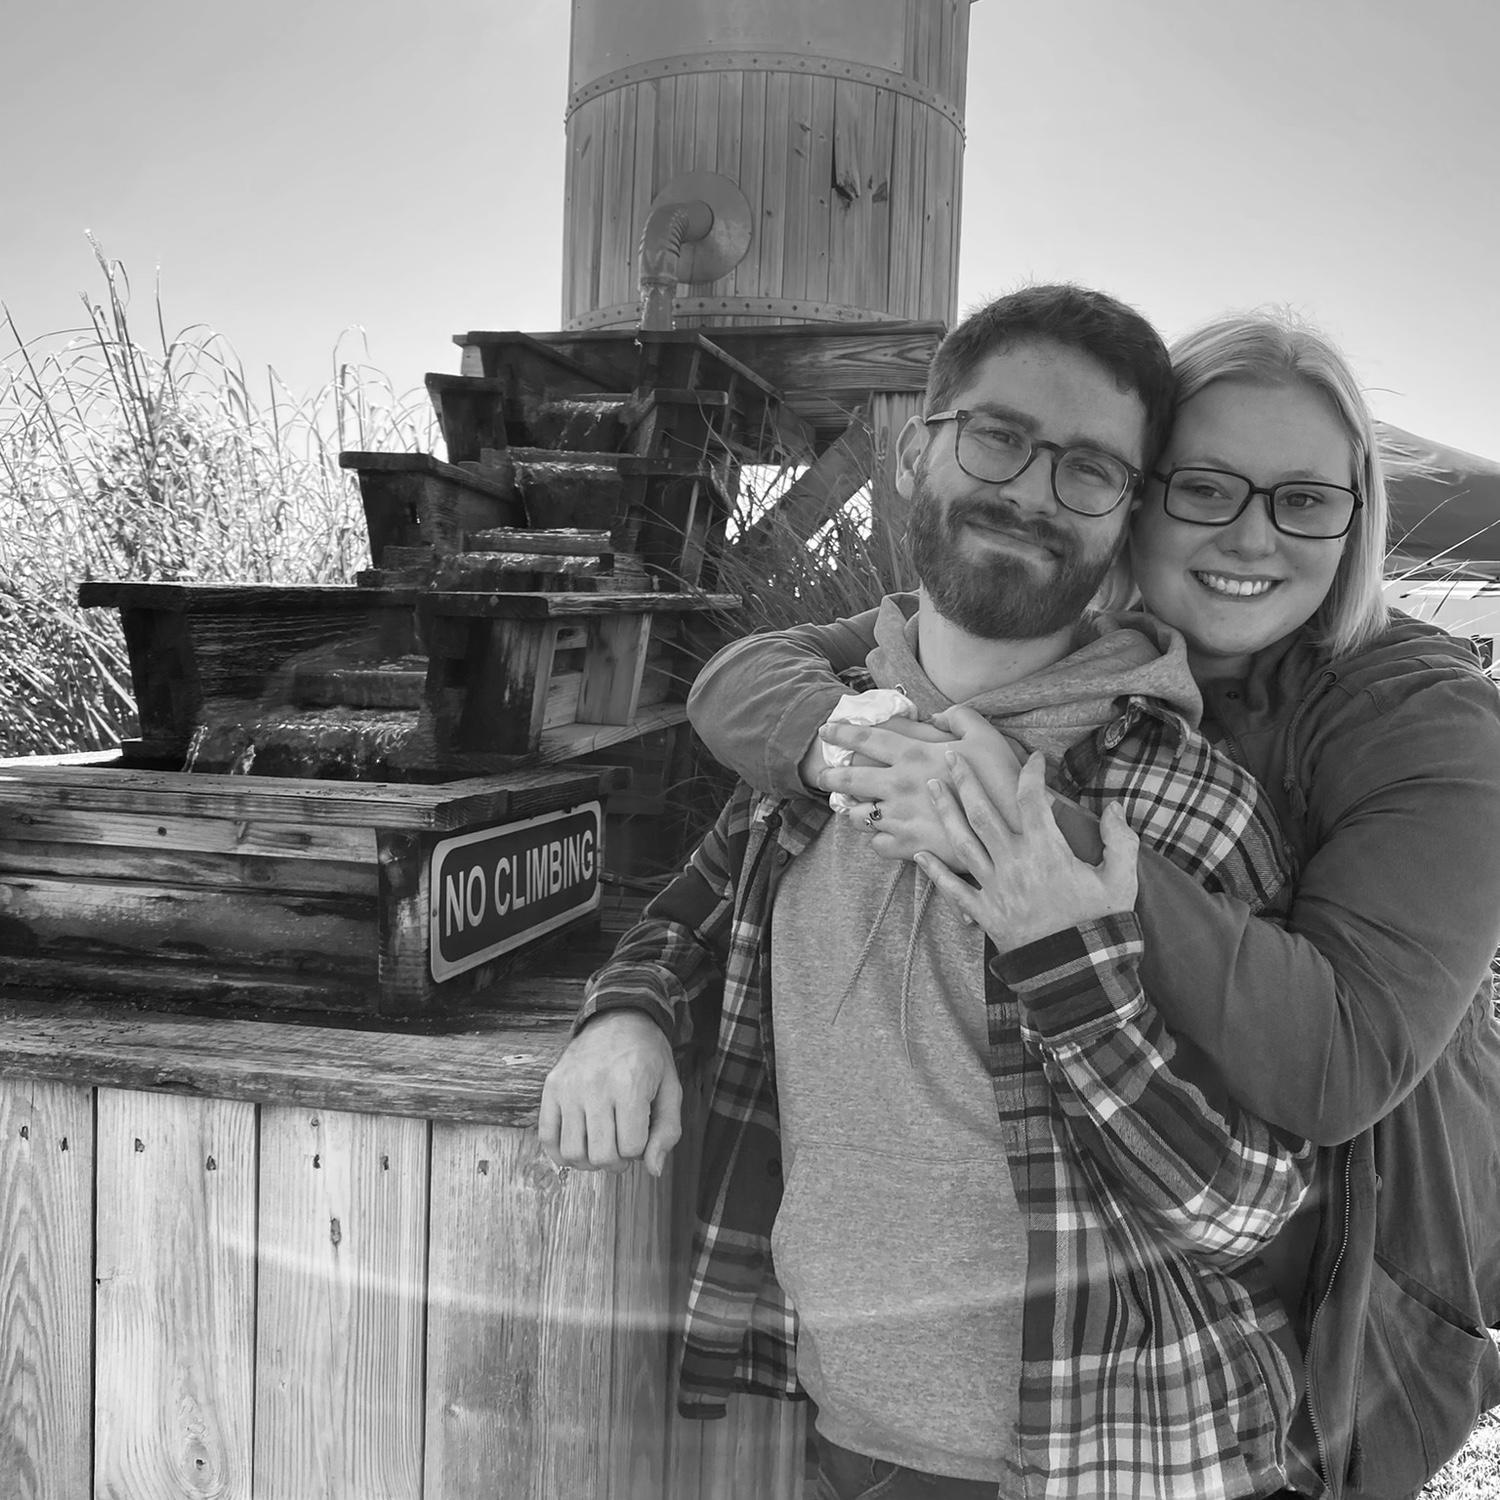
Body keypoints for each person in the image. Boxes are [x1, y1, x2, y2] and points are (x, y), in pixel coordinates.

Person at [682, 306, 1500, 1499]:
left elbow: (1338, 1066)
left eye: (1305, 501)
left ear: (1357, 518)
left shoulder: (1424, 717)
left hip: (1361, 1287)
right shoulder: (1057, 654)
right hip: (953, 1387)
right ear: (1140, 505)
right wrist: (839, 743)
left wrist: (1031, 830)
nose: (1254, 534)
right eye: (1205, 487)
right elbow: (771, 671)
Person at [542, 285, 1321, 1500]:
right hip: (849, 1433)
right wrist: (627, 1013)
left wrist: (1062, 957)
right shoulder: (829, 745)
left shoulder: (1182, 803)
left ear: (1126, 516)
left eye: (1089, 470)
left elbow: (1245, 1209)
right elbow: (690, 913)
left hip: (1123, 1461)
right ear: (917, 452)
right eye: (999, 437)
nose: (1034, 493)